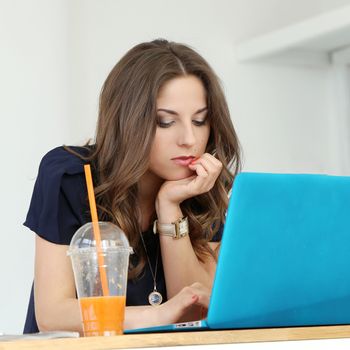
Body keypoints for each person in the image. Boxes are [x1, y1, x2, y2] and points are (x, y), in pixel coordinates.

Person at [23, 38, 241, 333]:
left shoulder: (202, 188)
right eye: (166, 122)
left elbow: (196, 310)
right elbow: (53, 313)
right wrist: (159, 316)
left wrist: (169, 207)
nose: (189, 139)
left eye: (200, 121)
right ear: (128, 120)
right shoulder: (71, 177)